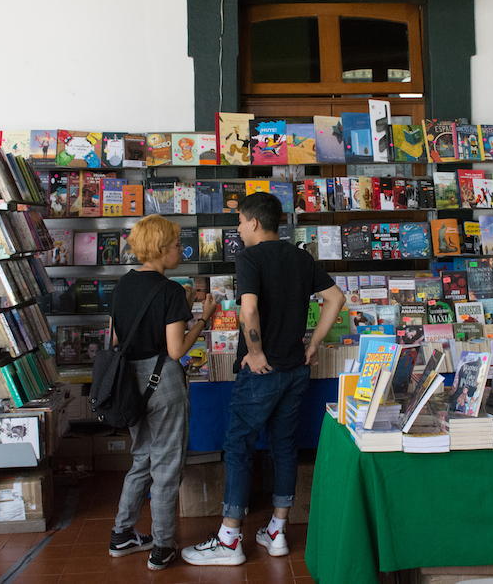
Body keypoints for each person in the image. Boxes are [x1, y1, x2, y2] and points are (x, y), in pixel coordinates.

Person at [182, 192, 346, 567]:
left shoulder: (250, 258)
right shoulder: (301, 257)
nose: (238, 229)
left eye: (239, 221)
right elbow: (336, 299)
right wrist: (314, 343)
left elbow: (249, 309)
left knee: (238, 444)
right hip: (295, 370)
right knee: (284, 446)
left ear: (254, 222)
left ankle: (229, 539)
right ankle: (276, 531)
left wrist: (254, 353)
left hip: (262, 372)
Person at [107, 214, 217, 570]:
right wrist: (203, 318)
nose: (180, 251)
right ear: (159, 249)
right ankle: (162, 545)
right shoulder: (170, 292)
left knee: (141, 458)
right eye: (174, 245)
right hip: (163, 380)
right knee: (167, 465)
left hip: (129, 383)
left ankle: (122, 533)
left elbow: (115, 339)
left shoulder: (121, 286)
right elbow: (175, 350)